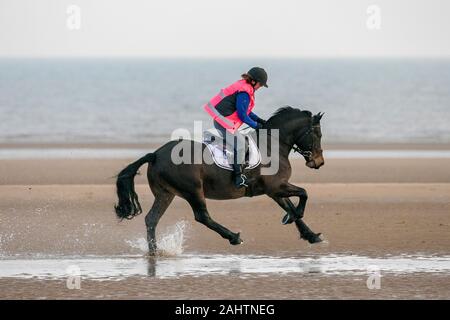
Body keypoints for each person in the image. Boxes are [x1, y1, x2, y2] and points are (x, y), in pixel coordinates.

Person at [204, 67, 268, 188]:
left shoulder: (244, 86)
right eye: (260, 84)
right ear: (254, 81)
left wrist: (259, 120)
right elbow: (243, 115)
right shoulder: (244, 92)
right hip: (223, 122)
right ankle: (238, 178)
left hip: (223, 119)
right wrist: (256, 126)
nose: (260, 87)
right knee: (240, 145)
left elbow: (246, 111)